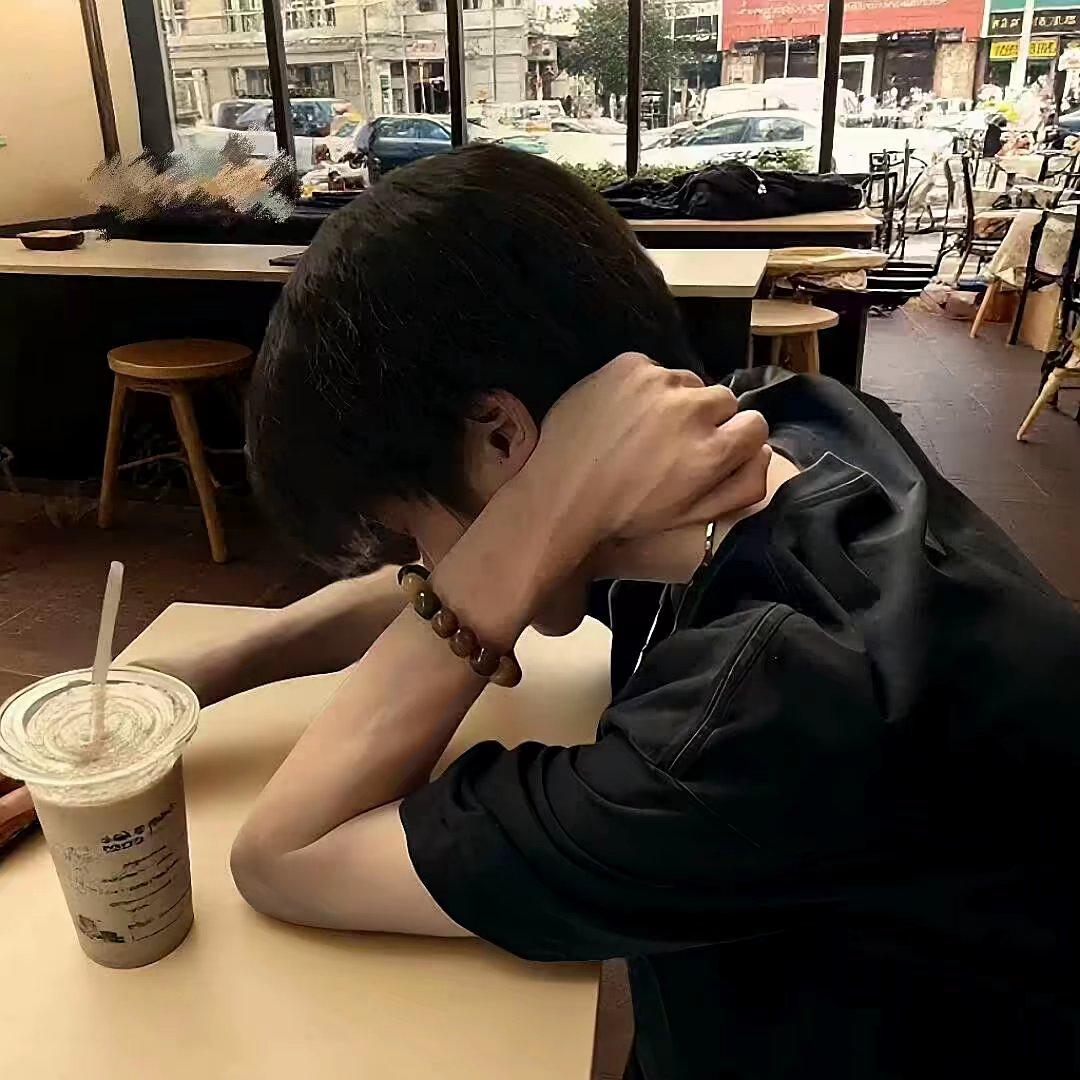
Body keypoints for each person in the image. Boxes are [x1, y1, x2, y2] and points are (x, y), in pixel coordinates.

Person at [139, 146, 1080, 1078]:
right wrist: (206, 669)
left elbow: (284, 856)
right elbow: (429, 587)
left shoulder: (763, 715)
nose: (425, 567)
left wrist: (536, 514)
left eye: (409, 528)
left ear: (504, 436)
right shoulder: (782, 422)